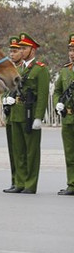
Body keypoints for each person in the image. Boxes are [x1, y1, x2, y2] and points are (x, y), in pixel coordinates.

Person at [3, 32, 50, 193]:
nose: (21, 51)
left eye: (24, 48)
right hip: (16, 112)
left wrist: (39, 117)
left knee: (31, 152)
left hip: (30, 114)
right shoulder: (18, 68)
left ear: (33, 50)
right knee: (18, 150)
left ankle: (30, 184)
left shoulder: (40, 69)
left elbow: (43, 95)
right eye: (20, 48)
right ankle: (20, 182)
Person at [53, 34, 74, 195]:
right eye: (70, 49)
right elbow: (58, 90)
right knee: (69, 153)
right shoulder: (65, 71)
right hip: (68, 118)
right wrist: (57, 103)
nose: (72, 53)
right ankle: (72, 184)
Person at [3, 35, 22, 192]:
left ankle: (23, 182)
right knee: (12, 150)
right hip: (11, 115)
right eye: (11, 51)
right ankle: (15, 180)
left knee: (21, 151)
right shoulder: (9, 68)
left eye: (16, 51)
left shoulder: (24, 69)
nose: (12, 54)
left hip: (22, 114)